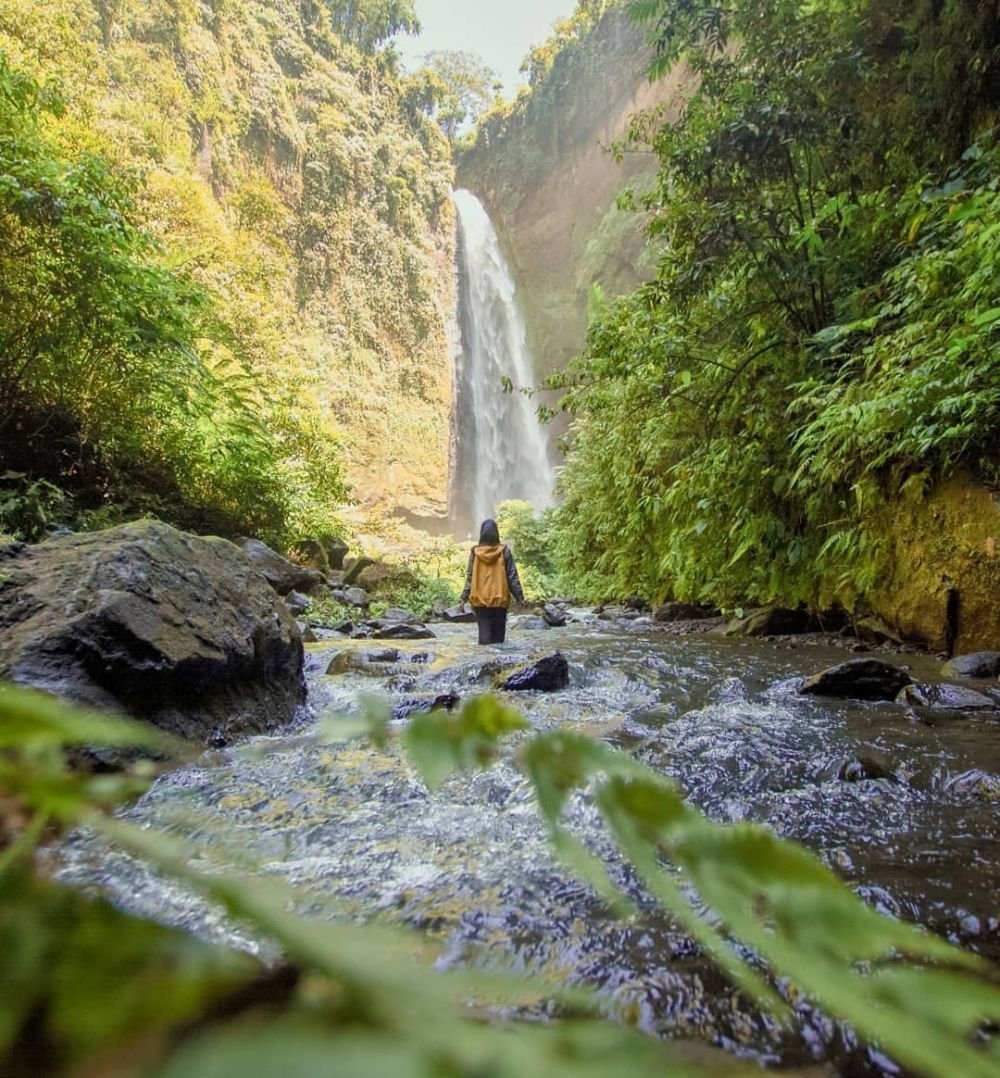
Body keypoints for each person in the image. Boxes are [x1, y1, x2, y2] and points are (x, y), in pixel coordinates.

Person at [459, 518, 525, 645]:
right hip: (499, 601)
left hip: (480, 601)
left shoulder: (475, 553)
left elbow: (470, 577)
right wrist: (520, 598)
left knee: (484, 641)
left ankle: (484, 662)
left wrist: (463, 599)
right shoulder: (504, 551)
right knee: (499, 641)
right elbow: (512, 576)